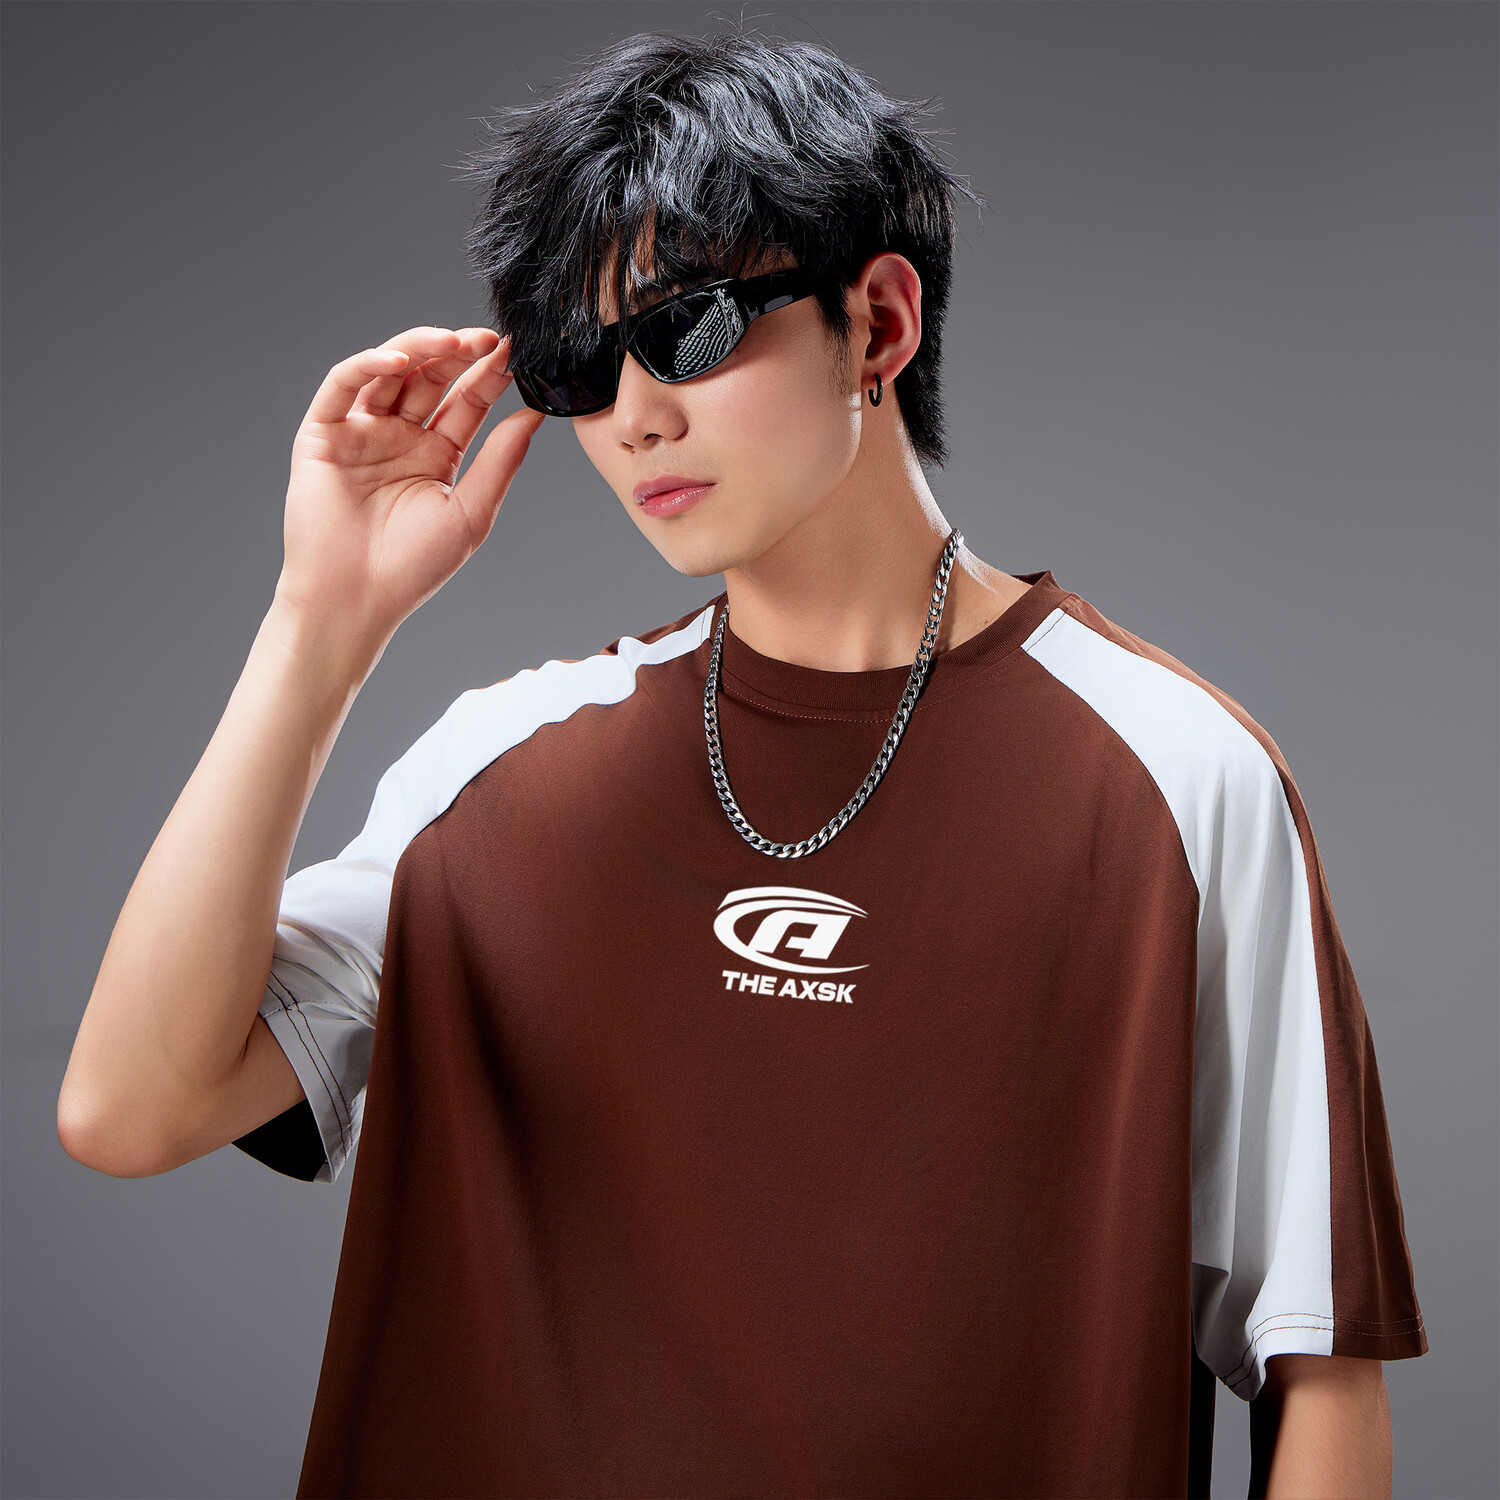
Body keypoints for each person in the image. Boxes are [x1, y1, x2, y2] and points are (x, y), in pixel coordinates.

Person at [57, 25, 1426, 1499]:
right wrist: (320, 623)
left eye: (692, 330)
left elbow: (1322, 1378)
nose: (637, 414)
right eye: (582, 366)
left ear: (879, 325)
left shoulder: (1175, 780)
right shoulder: (502, 774)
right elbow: (132, 1106)